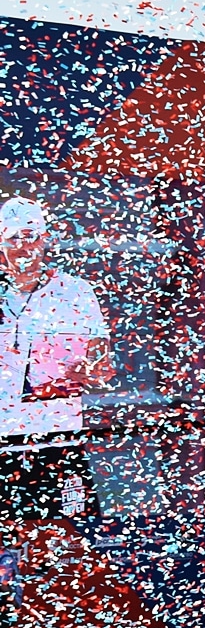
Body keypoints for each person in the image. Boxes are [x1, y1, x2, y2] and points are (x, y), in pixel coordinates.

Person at [0, 195, 114, 523]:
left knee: (64, 538)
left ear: (45, 240)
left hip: (57, 438)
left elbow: (104, 367)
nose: (23, 246)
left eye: (30, 236)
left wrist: (84, 374)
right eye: (14, 238)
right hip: (4, 441)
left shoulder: (76, 292)